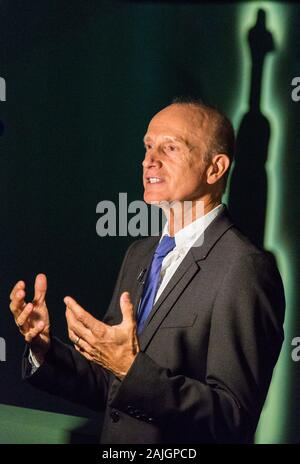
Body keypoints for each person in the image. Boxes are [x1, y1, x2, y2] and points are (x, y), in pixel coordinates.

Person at [9, 99, 285, 444]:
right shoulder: (139, 254)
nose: (148, 160)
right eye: (148, 146)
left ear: (215, 169)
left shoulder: (244, 268)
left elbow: (232, 417)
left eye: (169, 148)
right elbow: (110, 387)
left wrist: (129, 368)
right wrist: (44, 349)